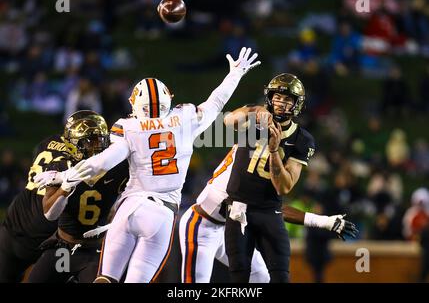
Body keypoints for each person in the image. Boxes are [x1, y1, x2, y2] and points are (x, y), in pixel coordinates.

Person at [54, 47, 261, 283]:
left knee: (105, 279)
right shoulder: (185, 118)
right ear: (169, 99)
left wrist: (64, 176)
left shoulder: (127, 127)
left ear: (134, 103)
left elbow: (102, 162)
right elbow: (216, 101)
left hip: (130, 207)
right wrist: (235, 73)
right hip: (161, 213)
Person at [179, 144, 358, 283]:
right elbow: (272, 212)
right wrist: (322, 221)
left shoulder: (249, 155)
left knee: (261, 276)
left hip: (227, 230)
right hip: (201, 225)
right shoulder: (245, 173)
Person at [223, 73, 315, 283]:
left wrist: (274, 151)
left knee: (281, 277)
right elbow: (228, 121)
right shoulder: (254, 119)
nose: (281, 103)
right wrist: (254, 110)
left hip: (269, 211)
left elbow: (285, 187)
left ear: (296, 104)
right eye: (277, 97)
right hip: (239, 209)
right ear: (269, 97)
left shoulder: (302, 139)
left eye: (287, 99)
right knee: (239, 279)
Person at [26, 110, 129, 283]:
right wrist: (66, 185)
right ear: (73, 144)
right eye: (90, 142)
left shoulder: (117, 168)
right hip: (64, 251)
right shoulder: (61, 166)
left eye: (100, 140)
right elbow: (50, 214)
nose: (97, 147)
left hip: (94, 252)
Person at [0, 131, 68, 282]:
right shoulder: (81, 159)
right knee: (64, 273)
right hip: (52, 239)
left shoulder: (48, 141)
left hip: (15, 223)